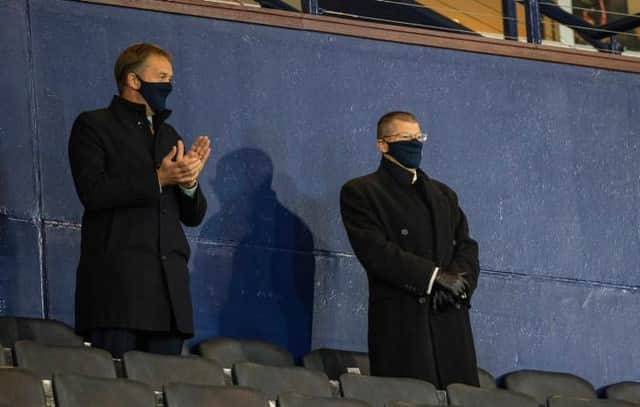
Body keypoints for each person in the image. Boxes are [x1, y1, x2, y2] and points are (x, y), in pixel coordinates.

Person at [68, 43, 211, 357]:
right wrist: (159, 178)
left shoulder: (169, 134)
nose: (168, 85)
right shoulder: (93, 125)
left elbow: (192, 215)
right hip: (118, 292)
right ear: (133, 80)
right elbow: (94, 192)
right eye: (161, 76)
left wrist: (189, 182)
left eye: (170, 78)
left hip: (168, 296)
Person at [340, 111, 480, 388]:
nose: (414, 144)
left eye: (419, 137)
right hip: (403, 323)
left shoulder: (444, 195)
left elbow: (466, 245)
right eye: (405, 138)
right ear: (383, 144)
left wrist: (459, 285)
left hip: (449, 316)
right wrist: (435, 277)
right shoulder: (362, 192)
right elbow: (377, 253)